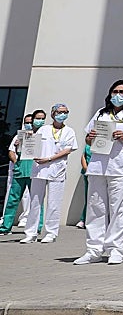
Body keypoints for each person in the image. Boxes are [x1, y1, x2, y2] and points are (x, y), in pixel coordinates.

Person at [74, 80, 123, 265]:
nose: (118, 95)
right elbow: (88, 139)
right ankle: (93, 250)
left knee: (119, 209)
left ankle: (115, 249)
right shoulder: (101, 113)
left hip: (121, 166)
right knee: (95, 208)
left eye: (122, 92)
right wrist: (90, 137)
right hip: (98, 166)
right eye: (115, 91)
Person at [23, 103, 77, 244]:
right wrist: (27, 141)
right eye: (60, 112)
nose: (63, 114)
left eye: (65, 112)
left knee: (54, 203)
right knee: (35, 202)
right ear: (53, 114)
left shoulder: (69, 131)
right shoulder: (43, 129)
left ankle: (50, 233)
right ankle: (31, 233)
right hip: (39, 169)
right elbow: (32, 145)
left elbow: (67, 150)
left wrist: (49, 159)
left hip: (57, 170)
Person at [1, 111, 39, 235]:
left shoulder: (41, 135)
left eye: (31, 122)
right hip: (20, 170)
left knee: (36, 200)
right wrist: (16, 162)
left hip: (35, 171)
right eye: (26, 122)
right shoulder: (19, 136)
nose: (29, 124)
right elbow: (11, 151)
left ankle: (37, 227)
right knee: (13, 199)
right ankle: (5, 227)